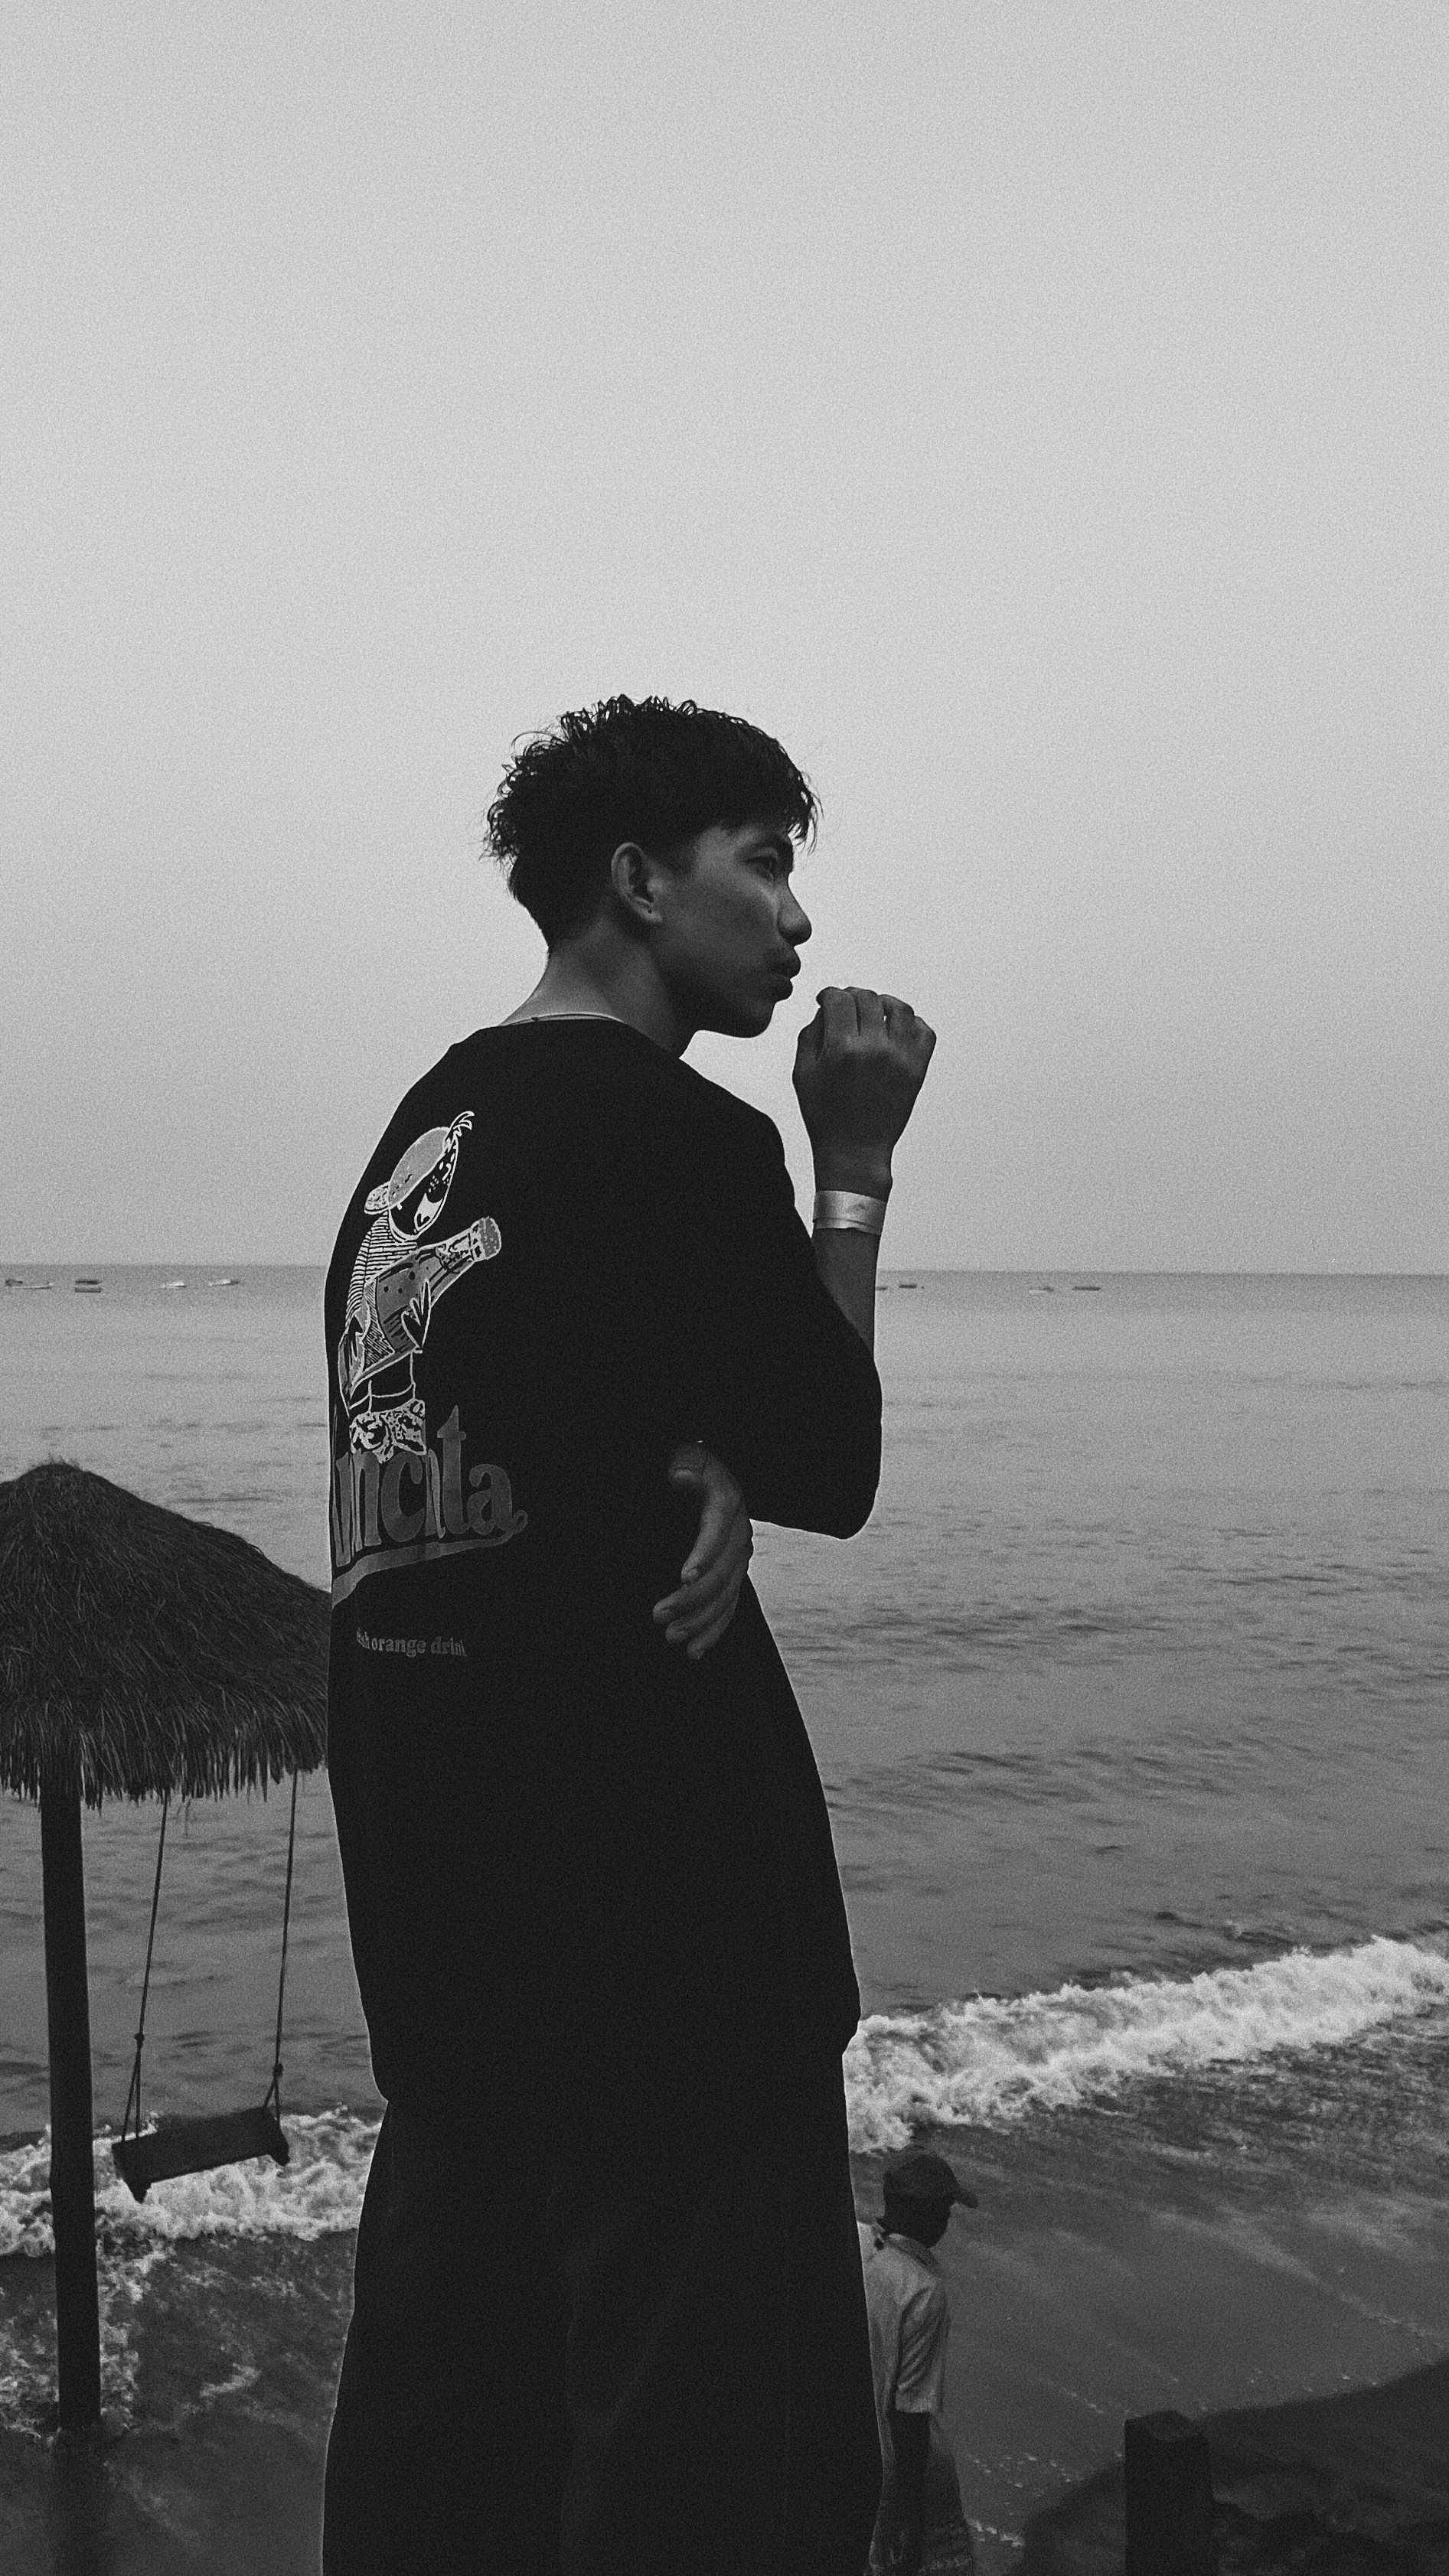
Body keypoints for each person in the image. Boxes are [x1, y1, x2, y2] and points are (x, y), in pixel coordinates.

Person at [320, 694, 935, 2573]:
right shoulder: (673, 1131)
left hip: (444, 1923)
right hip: (667, 1927)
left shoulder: (420, 1134)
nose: (797, 922)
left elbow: (514, 1434)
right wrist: (849, 1155)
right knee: (707, 2466)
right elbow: (828, 1451)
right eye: (763, 864)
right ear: (638, 878)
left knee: (461, 2449)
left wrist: (704, 1456)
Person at [859, 2151, 979, 2576]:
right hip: (891, 2457)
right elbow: (909, 2414)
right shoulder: (922, 2290)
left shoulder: (856, 2243)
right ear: (921, 2212)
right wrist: (912, 2519)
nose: (947, 2220)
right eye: (943, 2209)